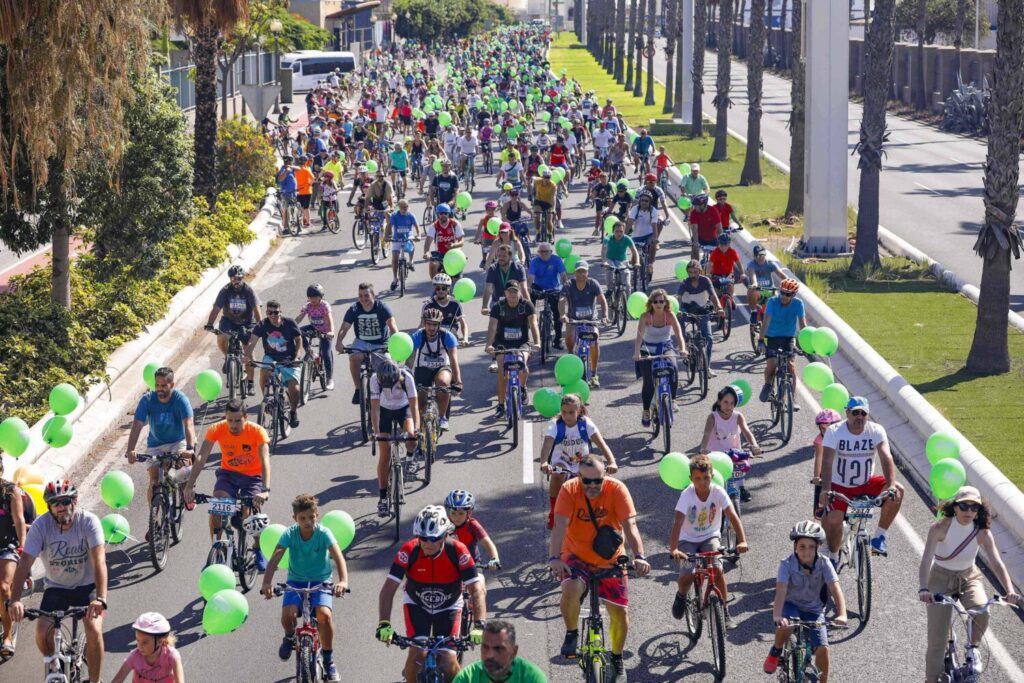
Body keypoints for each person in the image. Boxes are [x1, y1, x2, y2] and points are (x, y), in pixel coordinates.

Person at [548, 458, 650, 682]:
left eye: (598, 481)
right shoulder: (568, 489)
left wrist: (640, 556)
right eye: (587, 481)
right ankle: (572, 632)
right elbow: (559, 526)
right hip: (576, 555)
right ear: (578, 477)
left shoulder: (617, 489)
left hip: (610, 558)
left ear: (605, 477)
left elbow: (630, 526)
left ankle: (616, 658)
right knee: (571, 587)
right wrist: (554, 558)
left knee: (619, 613)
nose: (592, 485)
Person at [7, 480, 108, 683]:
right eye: (55, 503)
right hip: (57, 587)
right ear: (49, 506)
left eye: (65, 501)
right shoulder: (41, 526)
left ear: (75, 501)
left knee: (94, 629)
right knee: (42, 632)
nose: (61, 507)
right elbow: (25, 561)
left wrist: (101, 598)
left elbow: (99, 561)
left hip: (87, 586)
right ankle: (55, 664)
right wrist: (15, 599)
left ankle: (95, 680)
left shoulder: (89, 522)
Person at [919, 486, 1021, 682]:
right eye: (964, 506)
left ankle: (973, 648)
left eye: (974, 507)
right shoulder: (939, 528)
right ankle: (931, 679)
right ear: (955, 507)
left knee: (982, 610)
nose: (969, 511)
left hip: (969, 577)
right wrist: (924, 588)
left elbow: (997, 563)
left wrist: (1010, 591)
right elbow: (926, 560)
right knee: (937, 640)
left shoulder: (982, 532)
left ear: (979, 510)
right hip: (940, 578)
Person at [376, 506, 486, 683]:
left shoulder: (458, 551)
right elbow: (388, 590)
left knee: (448, 661)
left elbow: (476, 590)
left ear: (445, 536)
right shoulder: (408, 550)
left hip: (449, 606)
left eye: (434, 538)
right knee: (416, 655)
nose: (428, 543)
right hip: (417, 605)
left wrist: (479, 624)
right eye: (423, 538)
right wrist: (384, 623)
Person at [261, 493, 349, 682]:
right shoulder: (290, 534)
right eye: (302, 518)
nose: (308, 522)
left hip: (321, 581)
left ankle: (329, 660)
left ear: (317, 515)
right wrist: (266, 582)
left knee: (324, 615)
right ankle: (289, 637)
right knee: (288, 615)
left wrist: (343, 581)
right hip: (296, 581)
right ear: (295, 518)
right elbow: (275, 557)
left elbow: (338, 556)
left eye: (311, 517)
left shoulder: (324, 533)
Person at [184, 398, 271, 564]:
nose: (233, 425)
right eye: (230, 420)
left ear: (246, 418)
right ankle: (216, 550)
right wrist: (189, 485)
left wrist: (265, 490)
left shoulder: (257, 431)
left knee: (249, 515)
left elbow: (265, 460)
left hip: (253, 477)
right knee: (217, 505)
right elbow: (201, 457)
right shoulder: (217, 428)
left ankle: (258, 548)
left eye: (238, 421)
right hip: (228, 474)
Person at [819, 397, 905, 559]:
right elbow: (827, 461)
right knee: (834, 522)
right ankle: (834, 557)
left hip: (866, 484)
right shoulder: (834, 431)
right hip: (839, 486)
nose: (859, 417)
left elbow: (886, 457)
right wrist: (825, 489)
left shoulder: (876, 430)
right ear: (847, 413)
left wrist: (891, 485)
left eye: (863, 413)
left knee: (898, 490)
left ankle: (879, 537)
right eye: (855, 412)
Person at [669, 454, 748, 629]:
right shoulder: (686, 495)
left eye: (706, 477)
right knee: (688, 572)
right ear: (691, 479)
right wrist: (674, 549)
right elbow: (678, 522)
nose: (702, 482)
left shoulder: (718, 492)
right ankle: (681, 595)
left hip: (710, 536)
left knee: (717, 569)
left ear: (712, 476)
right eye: (697, 478)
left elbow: (732, 516)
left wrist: (742, 541)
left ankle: (724, 610)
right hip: (687, 539)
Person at [763, 521, 847, 680]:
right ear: (795, 546)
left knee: (822, 648)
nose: (806, 551)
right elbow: (781, 591)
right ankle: (776, 650)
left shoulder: (824, 563)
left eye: (811, 547)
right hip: (791, 605)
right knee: (786, 625)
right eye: (802, 546)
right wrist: (777, 616)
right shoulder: (786, 564)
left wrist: (842, 614)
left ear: (818, 547)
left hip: (814, 610)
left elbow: (835, 589)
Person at [539, 393, 617, 529]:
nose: (567, 416)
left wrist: (612, 462)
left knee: (602, 478)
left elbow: (602, 444)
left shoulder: (586, 423)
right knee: (557, 474)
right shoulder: (555, 424)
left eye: (571, 412)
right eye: (564, 412)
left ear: (579, 410)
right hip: (562, 462)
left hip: (582, 463)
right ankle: (554, 512)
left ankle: (604, 511)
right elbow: (547, 444)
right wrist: (544, 462)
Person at [125, 366, 196, 513]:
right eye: (157, 385)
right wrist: (130, 449)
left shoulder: (180, 399)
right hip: (155, 444)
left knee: (183, 469)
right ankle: (154, 519)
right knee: (154, 481)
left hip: (178, 442)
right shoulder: (147, 400)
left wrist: (190, 449)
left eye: (164, 385)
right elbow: (137, 424)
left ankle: (187, 493)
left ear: (172, 385)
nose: (159, 389)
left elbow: (188, 424)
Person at [371, 360, 420, 516]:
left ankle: (410, 458)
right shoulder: (374, 379)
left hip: (403, 408)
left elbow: (414, 406)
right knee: (384, 455)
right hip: (384, 410)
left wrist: (417, 429)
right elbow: (374, 409)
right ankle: (383, 498)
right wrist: (377, 433)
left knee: (411, 436)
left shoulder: (407, 377)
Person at [245, 299, 303, 429]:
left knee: (295, 388)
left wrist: (297, 356)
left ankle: (293, 412)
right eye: (269, 312)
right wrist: (246, 356)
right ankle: (266, 399)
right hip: (271, 357)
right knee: (264, 371)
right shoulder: (262, 325)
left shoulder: (289, 323)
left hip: (289, 358)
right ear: (266, 312)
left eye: (275, 312)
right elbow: (252, 341)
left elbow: (298, 340)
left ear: (280, 312)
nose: (272, 315)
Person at [336, 283, 398, 405]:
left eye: (366, 295)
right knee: (353, 358)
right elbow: (345, 327)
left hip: (381, 344)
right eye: (360, 295)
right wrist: (339, 342)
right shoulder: (354, 308)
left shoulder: (382, 307)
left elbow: (392, 326)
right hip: (361, 342)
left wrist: (394, 344)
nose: (363, 299)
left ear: (373, 295)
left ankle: (388, 396)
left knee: (388, 369)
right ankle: (358, 389)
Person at [485, 281, 540, 415]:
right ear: (505, 293)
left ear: (520, 292)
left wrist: (537, 342)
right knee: (502, 370)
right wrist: (489, 345)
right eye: (510, 291)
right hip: (502, 343)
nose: (512, 294)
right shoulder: (498, 307)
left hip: (522, 343)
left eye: (515, 291)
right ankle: (501, 405)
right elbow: (492, 327)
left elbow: (533, 324)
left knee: (522, 364)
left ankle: (523, 387)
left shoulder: (527, 305)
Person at [633, 288, 687, 426]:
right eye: (655, 301)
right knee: (648, 382)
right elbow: (639, 337)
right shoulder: (645, 317)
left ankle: (673, 400)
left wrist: (683, 349)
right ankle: (646, 410)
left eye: (661, 301)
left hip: (665, 347)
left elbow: (679, 334)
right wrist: (637, 352)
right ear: (651, 303)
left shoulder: (670, 316)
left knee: (673, 368)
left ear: (665, 303)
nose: (658, 304)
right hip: (648, 349)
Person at [698, 385, 762, 501]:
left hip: (734, 452)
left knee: (740, 468)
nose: (729, 406)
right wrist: (703, 449)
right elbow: (706, 435)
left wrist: (755, 446)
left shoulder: (738, 416)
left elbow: (747, 433)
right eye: (726, 402)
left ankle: (741, 488)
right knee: (714, 486)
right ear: (719, 402)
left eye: (732, 403)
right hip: (716, 455)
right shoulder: (712, 418)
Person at [205, 265, 261, 393]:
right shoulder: (225, 290)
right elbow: (216, 308)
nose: (236, 281)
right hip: (229, 321)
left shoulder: (248, 291)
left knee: (248, 350)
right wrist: (209, 323)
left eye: (238, 278)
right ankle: (227, 357)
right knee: (221, 336)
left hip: (247, 322)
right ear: (230, 279)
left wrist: (260, 325)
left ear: (242, 278)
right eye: (233, 279)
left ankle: (250, 382)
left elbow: (256, 308)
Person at [409, 308, 462, 431]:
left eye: (435, 324)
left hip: (442, 367)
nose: (431, 328)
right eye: (429, 324)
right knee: (420, 402)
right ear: (424, 323)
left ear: (439, 325)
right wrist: (405, 379)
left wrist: (458, 381)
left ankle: (442, 417)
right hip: (423, 368)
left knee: (443, 384)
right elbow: (410, 360)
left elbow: (454, 361)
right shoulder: (417, 336)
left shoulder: (448, 336)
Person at [444, 490, 501, 603]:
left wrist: (494, 559)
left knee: (480, 590)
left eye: (461, 513)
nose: (456, 517)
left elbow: (488, 543)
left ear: (469, 512)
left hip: (473, 563)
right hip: (450, 564)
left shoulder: (472, 525)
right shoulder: (443, 525)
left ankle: (477, 613)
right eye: (453, 513)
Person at [757, 278, 807, 404]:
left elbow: (803, 326)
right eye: (782, 292)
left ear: (794, 295)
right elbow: (766, 322)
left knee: (791, 367)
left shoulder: (798, 304)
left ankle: (793, 399)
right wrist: (761, 340)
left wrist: (806, 345)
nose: (784, 296)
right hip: (772, 337)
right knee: (772, 364)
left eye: (788, 294)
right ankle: (768, 385)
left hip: (788, 338)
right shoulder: (772, 301)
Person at [559, 261, 608, 386]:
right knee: (569, 337)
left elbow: (602, 300)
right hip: (573, 320)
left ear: (587, 272)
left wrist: (605, 316)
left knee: (595, 341)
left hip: (591, 320)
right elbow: (562, 300)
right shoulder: (569, 284)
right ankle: (571, 357)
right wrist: (562, 315)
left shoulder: (593, 284)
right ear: (575, 273)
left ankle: (594, 374)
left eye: (584, 271)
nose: (581, 274)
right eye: (579, 272)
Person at [452, 620, 547, 683]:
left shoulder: (532, 678)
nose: (490, 655)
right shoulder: (467, 678)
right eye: (485, 647)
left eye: (498, 649)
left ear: (514, 651)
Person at [0, 459, 29, 657]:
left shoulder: (11, 492)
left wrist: (23, 549)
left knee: (4, 587)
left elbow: (19, 521)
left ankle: (7, 636)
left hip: (7, 547)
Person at [110, 612, 185, 683]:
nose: (139, 646)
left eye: (145, 642)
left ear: (160, 641)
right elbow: (117, 680)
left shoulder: (171, 655)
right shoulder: (135, 656)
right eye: (138, 640)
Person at [527, 242, 568, 350]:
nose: (544, 253)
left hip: (554, 289)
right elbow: (531, 277)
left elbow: (563, 275)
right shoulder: (535, 261)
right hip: (539, 288)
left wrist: (566, 288)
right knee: (529, 297)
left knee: (558, 314)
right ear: (538, 253)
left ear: (551, 252)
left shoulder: (556, 260)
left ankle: (558, 339)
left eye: (546, 251)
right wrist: (528, 287)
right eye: (541, 252)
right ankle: (531, 319)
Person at [295, 283, 336, 391]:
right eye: (310, 297)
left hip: (325, 331)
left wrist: (331, 331)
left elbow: (330, 319)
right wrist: (292, 326)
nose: (312, 299)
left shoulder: (324, 306)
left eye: (315, 297)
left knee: (326, 353)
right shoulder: (308, 306)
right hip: (314, 327)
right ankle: (310, 353)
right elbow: (300, 317)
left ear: (320, 297)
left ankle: (329, 379)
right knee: (298, 332)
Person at [811, 409, 843, 518]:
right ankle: (821, 506)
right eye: (823, 428)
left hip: (842, 469)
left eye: (829, 428)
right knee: (823, 485)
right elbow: (819, 458)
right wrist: (816, 476)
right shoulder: (820, 440)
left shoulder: (844, 437)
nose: (826, 431)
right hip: (828, 469)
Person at [482, 244, 530, 316]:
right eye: (499, 256)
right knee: (493, 321)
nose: (501, 258)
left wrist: (529, 307)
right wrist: (484, 306)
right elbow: (488, 289)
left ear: (510, 257)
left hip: (515, 301)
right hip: (497, 301)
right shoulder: (493, 269)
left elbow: (524, 289)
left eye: (504, 256)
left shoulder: (519, 268)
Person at [385, 199, 421, 291]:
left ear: (408, 207)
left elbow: (417, 226)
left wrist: (419, 235)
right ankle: (395, 279)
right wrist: (386, 236)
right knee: (394, 259)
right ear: (398, 207)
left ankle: (411, 261)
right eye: (401, 207)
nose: (404, 209)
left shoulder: (411, 215)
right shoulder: (394, 216)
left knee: (412, 243)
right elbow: (389, 226)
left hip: (408, 236)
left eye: (406, 207)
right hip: (397, 238)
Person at [423, 204, 466, 279]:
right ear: (437, 214)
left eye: (445, 213)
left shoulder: (455, 224)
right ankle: (436, 283)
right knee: (432, 264)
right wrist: (426, 252)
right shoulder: (434, 226)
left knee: (457, 280)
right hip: (440, 253)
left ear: (448, 214)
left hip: (454, 253)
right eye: (441, 213)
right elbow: (428, 242)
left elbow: (462, 241)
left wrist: (454, 245)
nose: (443, 215)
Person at [423, 273, 468, 343]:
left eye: (444, 288)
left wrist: (465, 339)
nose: (440, 291)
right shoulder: (428, 304)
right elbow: (422, 324)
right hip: (433, 332)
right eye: (438, 288)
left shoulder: (455, 304)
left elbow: (463, 323)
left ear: (448, 289)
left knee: (452, 338)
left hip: (451, 333)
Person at [624, 192, 662, 275]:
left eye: (646, 201)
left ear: (650, 202)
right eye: (642, 200)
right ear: (640, 201)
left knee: (652, 244)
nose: (644, 202)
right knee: (634, 260)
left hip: (649, 234)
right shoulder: (635, 209)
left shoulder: (653, 211)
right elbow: (630, 222)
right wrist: (624, 235)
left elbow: (654, 225)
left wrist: (655, 238)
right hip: (636, 236)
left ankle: (650, 264)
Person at [600, 219, 639, 293]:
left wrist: (637, 262)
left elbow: (635, 251)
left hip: (622, 261)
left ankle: (627, 299)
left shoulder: (627, 239)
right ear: (613, 232)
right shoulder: (608, 238)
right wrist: (604, 261)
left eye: (621, 231)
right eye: (617, 231)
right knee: (609, 271)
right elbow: (603, 251)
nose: (619, 233)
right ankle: (610, 290)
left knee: (627, 282)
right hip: (610, 259)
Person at [745, 244, 785, 316]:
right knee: (751, 291)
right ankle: (753, 312)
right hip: (758, 291)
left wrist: (789, 281)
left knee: (779, 302)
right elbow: (752, 275)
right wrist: (754, 284)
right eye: (758, 256)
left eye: (762, 255)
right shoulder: (751, 265)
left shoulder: (770, 263)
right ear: (754, 256)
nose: (761, 258)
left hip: (769, 291)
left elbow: (780, 274)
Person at [707, 233, 744, 302]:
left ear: (729, 244)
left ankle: (730, 300)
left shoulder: (732, 252)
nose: (723, 247)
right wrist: (708, 273)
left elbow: (738, 263)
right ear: (718, 244)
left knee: (730, 287)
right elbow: (710, 264)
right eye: (721, 245)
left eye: (725, 245)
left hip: (728, 274)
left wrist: (742, 273)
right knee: (715, 293)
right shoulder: (715, 252)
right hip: (716, 275)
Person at [687, 193, 722, 262]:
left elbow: (719, 228)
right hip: (700, 238)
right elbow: (694, 230)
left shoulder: (713, 210)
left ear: (704, 205)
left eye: (697, 205)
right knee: (694, 249)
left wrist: (721, 241)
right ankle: (695, 265)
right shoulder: (694, 213)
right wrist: (696, 242)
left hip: (713, 238)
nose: (695, 207)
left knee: (718, 258)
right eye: (694, 205)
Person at [532, 169, 559, 239]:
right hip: (539, 201)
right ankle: (538, 232)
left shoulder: (553, 185)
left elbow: (553, 198)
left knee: (549, 220)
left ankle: (550, 233)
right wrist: (533, 194)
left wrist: (553, 209)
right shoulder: (537, 181)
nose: (547, 179)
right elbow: (533, 181)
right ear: (542, 177)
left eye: (548, 177)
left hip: (548, 202)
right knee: (536, 216)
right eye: (545, 177)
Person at [276, 155, 298, 234]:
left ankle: (295, 223)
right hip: (286, 193)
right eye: (291, 161)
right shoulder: (283, 169)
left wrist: (290, 167)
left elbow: (299, 168)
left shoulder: (291, 168)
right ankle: (286, 227)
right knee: (286, 210)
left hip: (293, 192)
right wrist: (286, 172)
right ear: (288, 161)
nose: (291, 162)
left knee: (293, 208)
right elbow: (280, 179)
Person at [294, 155, 316, 230]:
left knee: (301, 207)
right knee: (306, 208)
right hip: (307, 191)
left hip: (299, 191)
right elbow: (313, 178)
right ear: (306, 162)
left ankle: (302, 221)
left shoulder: (296, 170)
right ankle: (308, 222)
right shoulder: (306, 170)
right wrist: (310, 184)